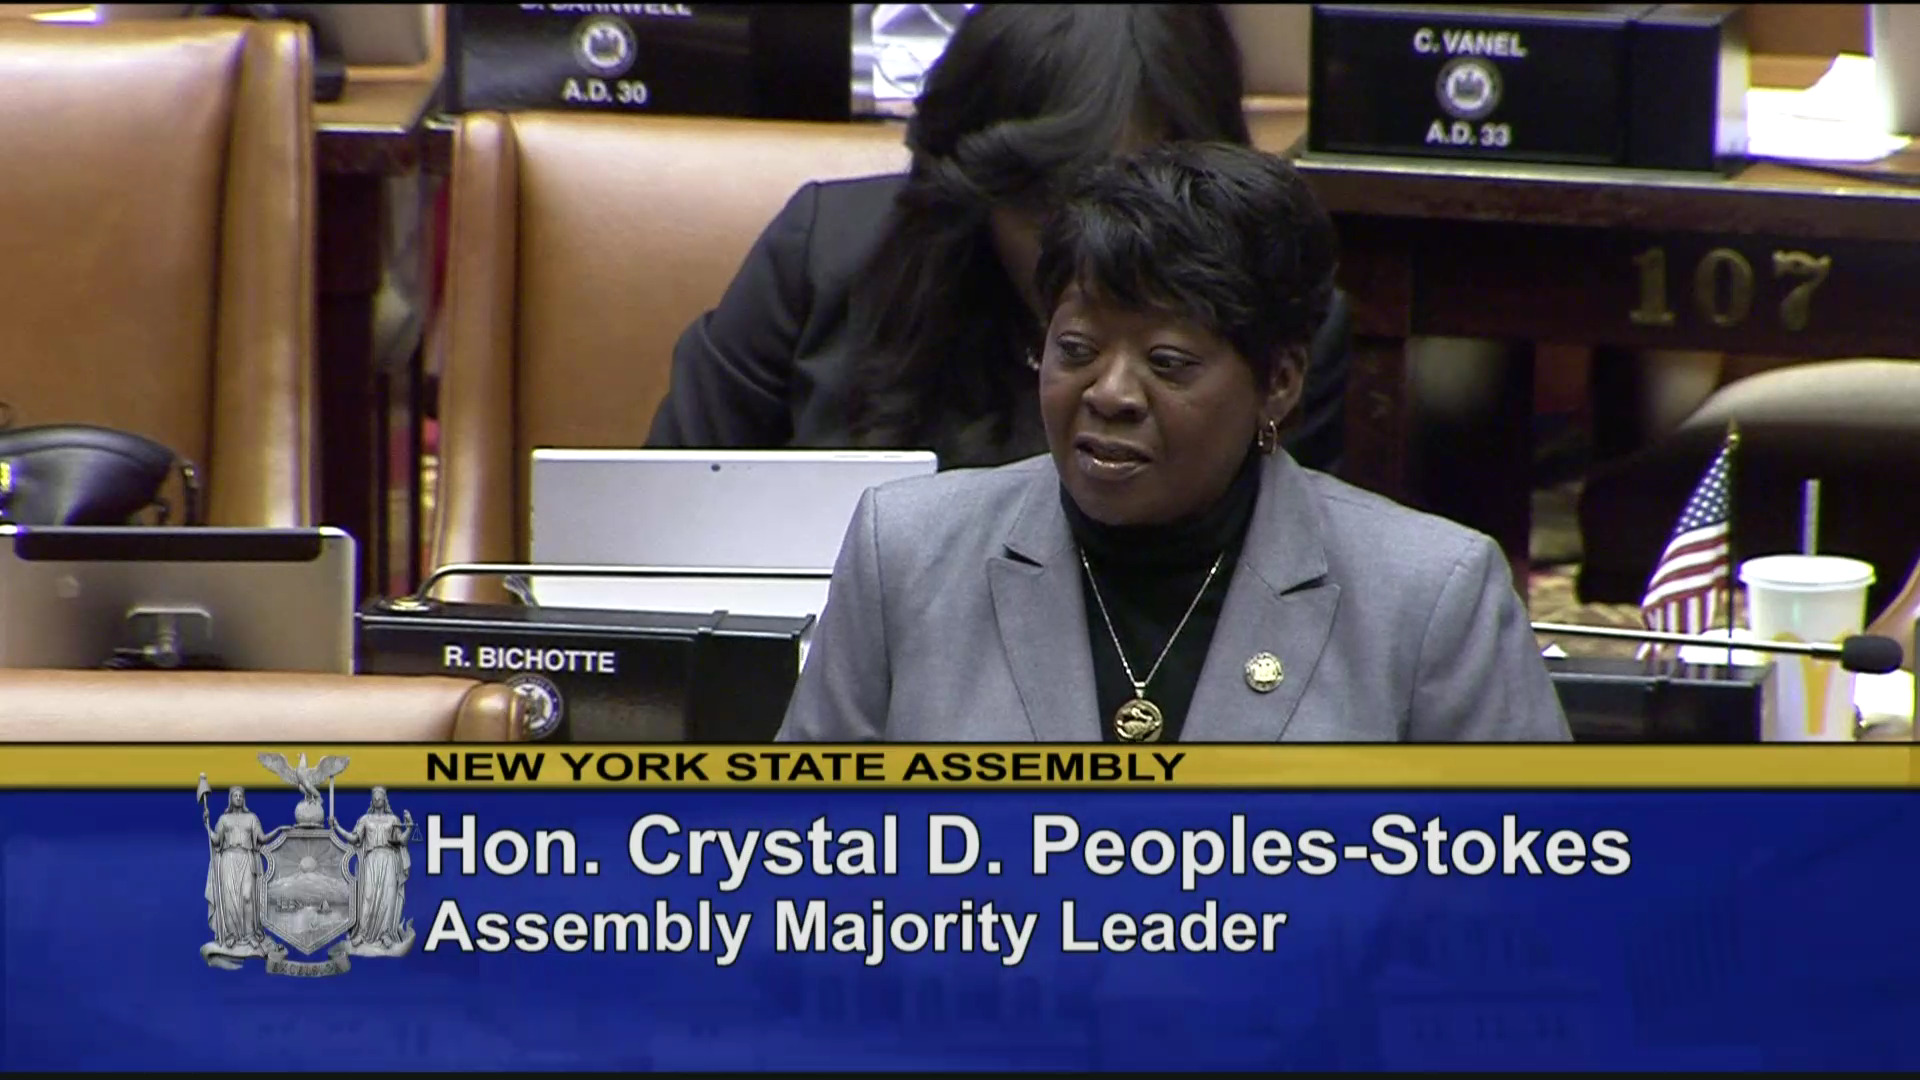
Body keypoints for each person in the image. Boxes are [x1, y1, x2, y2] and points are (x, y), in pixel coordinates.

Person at [778, 143, 1569, 743]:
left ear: (1279, 381)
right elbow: (809, 857)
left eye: (1168, 363)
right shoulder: (906, 554)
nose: (1110, 394)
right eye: (1077, 350)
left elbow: (1518, 891)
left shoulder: (1430, 596)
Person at [645, 4, 1350, 472]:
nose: (1082, 265)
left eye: (1130, 220)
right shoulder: (824, 252)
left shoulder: (1276, 317)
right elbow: (666, 523)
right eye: (1045, 212)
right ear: (976, 188)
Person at [335, 787, 415, 954]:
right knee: (367, 896)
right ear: (372, 799)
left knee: (388, 897)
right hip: (371, 860)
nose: (377, 798)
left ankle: (386, 934)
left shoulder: (393, 819)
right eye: (375, 796)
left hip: (389, 859)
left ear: (385, 799)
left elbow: (401, 841)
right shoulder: (365, 819)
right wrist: (337, 827)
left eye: (380, 795)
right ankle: (362, 934)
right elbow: (354, 838)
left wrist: (409, 827)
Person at [203, 786, 269, 954]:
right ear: (231, 799)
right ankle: (231, 935)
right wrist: (207, 825)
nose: (238, 798)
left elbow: (262, 838)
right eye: (235, 795)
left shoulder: (252, 818)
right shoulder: (224, 819)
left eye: (241, 795)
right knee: (229, 899)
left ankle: (250, 935)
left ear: (243, 799)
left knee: (247, 897)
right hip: (228, 859)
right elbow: (217, 841)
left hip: (246, 858)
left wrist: (280, 831)